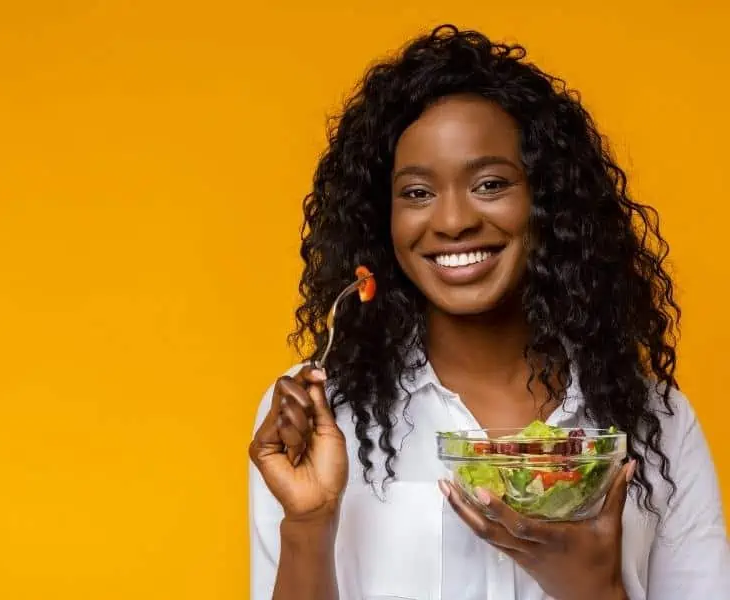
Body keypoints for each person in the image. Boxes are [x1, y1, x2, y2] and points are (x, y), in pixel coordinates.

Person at [247, 24, 729, 600]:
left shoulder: (658, 424)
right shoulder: (321, 424)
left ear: (547, 201)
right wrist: (308, 524)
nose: (452, 221)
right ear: (383, 221)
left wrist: (596, 590)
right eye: (418, 193)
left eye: (491, 183)